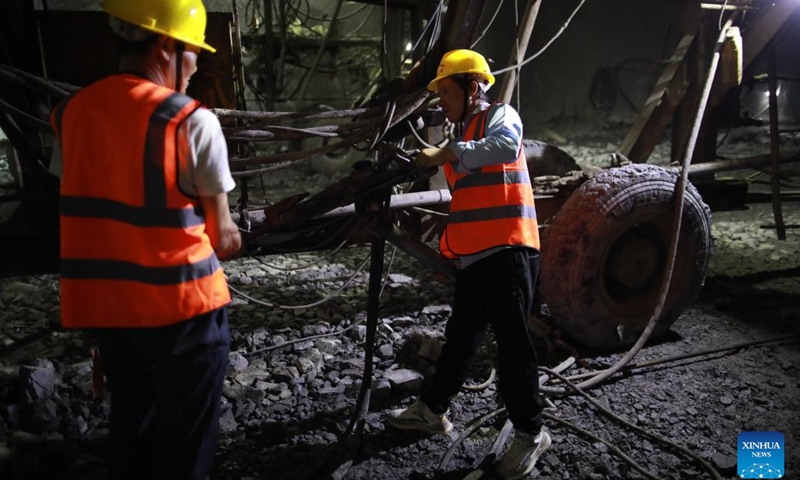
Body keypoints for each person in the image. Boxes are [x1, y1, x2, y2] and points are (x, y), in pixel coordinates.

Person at [49, 1, 241, 479]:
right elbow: (223, 236)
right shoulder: (191, 120)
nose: (197, 66)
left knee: (132, 432)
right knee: (185, 450)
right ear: (166, 46)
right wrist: (235, 230)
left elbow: (90, 207)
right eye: (194, 52)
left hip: (111, 313)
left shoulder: (71, 113)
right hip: (185, 314)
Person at [386, 49, 550, 480]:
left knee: (513, 349)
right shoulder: (464, 132)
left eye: (445, 91)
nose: (441, 100)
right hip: (478, 257)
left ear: (472, 87)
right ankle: (433, 410)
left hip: (509, 251)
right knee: (460, 339)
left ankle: (531, 433)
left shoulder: (500, 117)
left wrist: (446, 153)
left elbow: (505, 146)